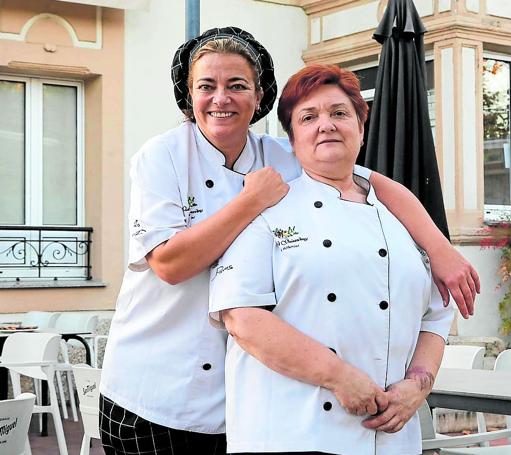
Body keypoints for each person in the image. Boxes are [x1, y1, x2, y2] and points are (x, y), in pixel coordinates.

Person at [100, 26, 476, 455]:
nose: (220, 99)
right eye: (206, 86)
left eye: (237, 86)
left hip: (235, 398)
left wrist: (440, 248)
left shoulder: (279, 154)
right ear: (189, 97)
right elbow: (169, 266)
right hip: (155, 388)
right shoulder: (161, 156)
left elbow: (372, 182)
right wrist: (250, 202)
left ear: (259, 97)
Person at [209, 64, 452, 455]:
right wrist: (339, 377)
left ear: (360, 124)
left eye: (339, 113)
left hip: (390, 437)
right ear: (291, 139)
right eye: (308, 117)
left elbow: (436, 314)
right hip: (292, 434)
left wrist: (417, 387)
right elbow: (242, 317)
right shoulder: (268, 211)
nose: (326, 125)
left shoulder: (401, 215)